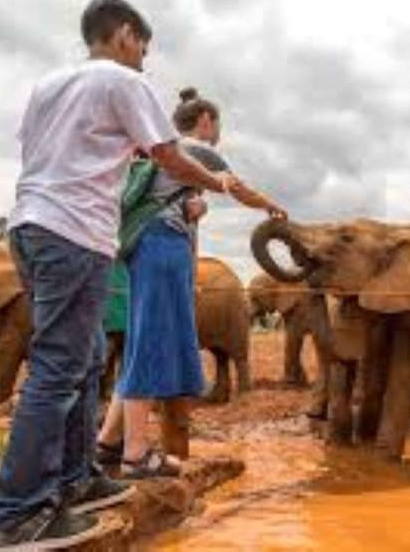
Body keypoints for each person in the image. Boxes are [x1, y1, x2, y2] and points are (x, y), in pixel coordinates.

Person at [0, 0, 271, 551]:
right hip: (73, 232)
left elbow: (46, 155)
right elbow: (166, 156)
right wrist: (217, 186)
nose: (144, 56)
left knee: (87, 360)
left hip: (34, 225)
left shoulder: (48, 86)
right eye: (143, 44)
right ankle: (15, 513)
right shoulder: (122, 80)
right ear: (122, 34)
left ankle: (76, 482)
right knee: (58, 368)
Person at [96, 88, 285, 476]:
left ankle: (108, 444)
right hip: (162, 247)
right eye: (217, 125)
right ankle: (135, 454)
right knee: (150, 343)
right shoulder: (196, 148)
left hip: (142, 247)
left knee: (137, 345)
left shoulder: (160, 150)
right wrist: (270, 205)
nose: (218, 133)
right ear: (205, 121)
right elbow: (237, 187)